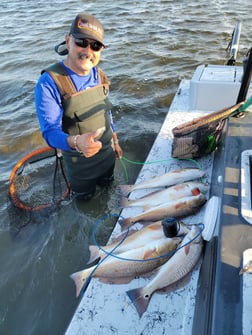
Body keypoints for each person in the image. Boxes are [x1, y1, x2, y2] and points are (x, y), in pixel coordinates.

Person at [35, 13, 123, 200]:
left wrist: (115, 140)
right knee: (85, 202)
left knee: (110, 191)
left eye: (95, 45)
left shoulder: (101, 76)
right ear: (68, 41)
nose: (88, 51)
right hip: (80, 167)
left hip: (107, 156)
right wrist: (76, 142)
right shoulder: (49, 82)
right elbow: (49, 133)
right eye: (81, 42)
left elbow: (106, 112)